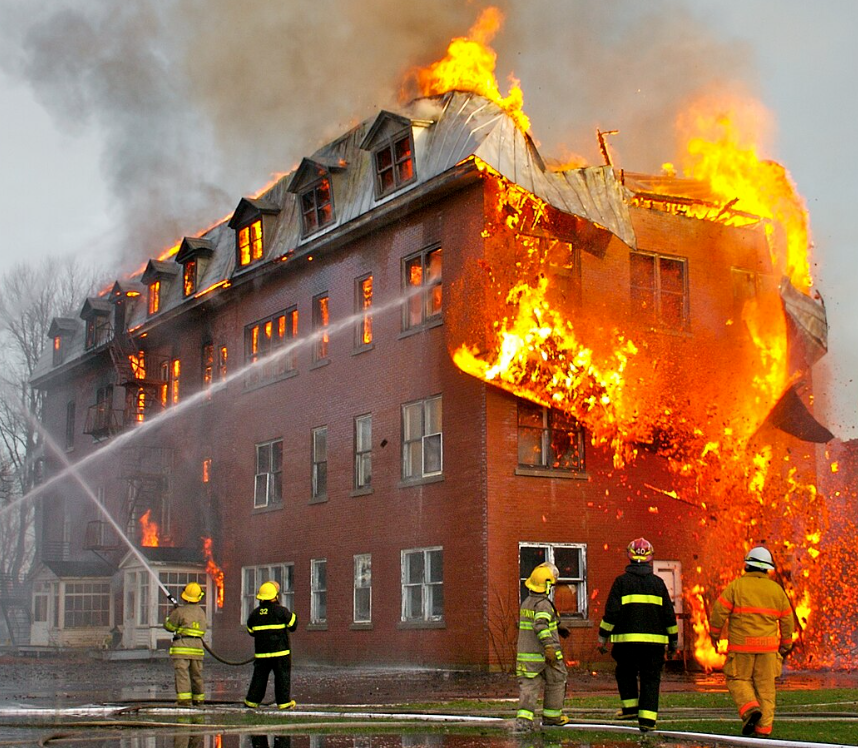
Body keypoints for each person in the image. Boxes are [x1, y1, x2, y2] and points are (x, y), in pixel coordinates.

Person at [709, 546, 795, 738]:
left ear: (747, 565)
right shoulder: (776, 590)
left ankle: (750, 710)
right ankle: (763, 731)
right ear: (767, 568)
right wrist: (786, 644)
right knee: (766, 689)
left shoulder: (736, 587)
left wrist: (714, 636)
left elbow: (718, 613)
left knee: (738, 680)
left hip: (741, 649)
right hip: (768, 650)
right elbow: (788, 620)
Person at [597, 538, 678, 733]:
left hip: (626, 643)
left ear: (629, 555)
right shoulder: (658, 584)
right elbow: (669, 615)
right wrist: (673, 642)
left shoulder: (621, 582)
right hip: (654, 645)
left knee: (625, 673)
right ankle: (647, 721)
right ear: (650, 557)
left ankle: (631, 709)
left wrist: (602, 637)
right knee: (651, 678)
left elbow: (611, 612)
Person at [513, 562, 569, 732]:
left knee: (529, 687)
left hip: (527, 656)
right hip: (546, 655)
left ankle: (523, 722)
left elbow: (538, 621)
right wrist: (549, 647)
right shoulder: (544, 604)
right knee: (557, 680)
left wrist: (557, 626)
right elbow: (540, 625)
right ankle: (552, 717)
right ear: (546, 585)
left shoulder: (527, 602)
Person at [244, 581, 298, 710]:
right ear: (275, 597)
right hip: (281, 653)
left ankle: (251, 702)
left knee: (259, 678)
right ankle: (284, 703)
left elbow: (251, 631)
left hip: (262, 654)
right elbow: (293, 625)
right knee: (282, 677)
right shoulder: (281, 611)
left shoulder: (254, 614)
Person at [164, 581, 207, 706]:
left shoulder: (179, 612)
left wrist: (170, 615)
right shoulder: (201, 612)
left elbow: (169, 626)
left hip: (182, 647)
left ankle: (184, 701)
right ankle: (198, 700)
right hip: (197, 648)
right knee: (197, 675)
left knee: (183, 675)